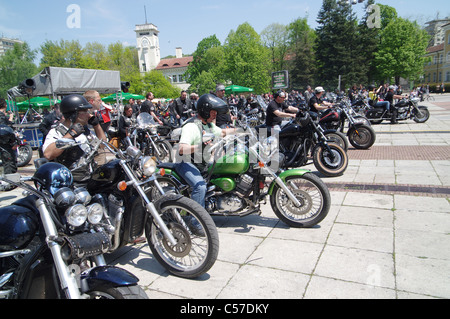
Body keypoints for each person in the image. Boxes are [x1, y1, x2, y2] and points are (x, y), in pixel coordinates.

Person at [175, 94, 235, 209]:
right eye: (213, 112)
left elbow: (222, 132)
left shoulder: (208, 125)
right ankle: (196, 222)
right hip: (186, 163)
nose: (215, 115)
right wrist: (201, 145)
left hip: (202, 162)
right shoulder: (191, 126)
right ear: (205, 111)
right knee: (200, 186)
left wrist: (242, 130)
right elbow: (182, 148)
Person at [42, 94, 107, 183]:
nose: (89, 115)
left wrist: (96, 125)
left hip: (89, 179)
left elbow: (103, 144)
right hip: (70, 183)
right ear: (74, 114)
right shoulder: (57, 132)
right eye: (85, 111)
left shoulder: (85, 130)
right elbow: (48, 154)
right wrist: (70, 135)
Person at [0, 98, 18, 176]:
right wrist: (13, 141)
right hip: (4, 143)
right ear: (5, 105)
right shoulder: (2, 116)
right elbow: (5, 129)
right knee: (9, 161)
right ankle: (10, 182)